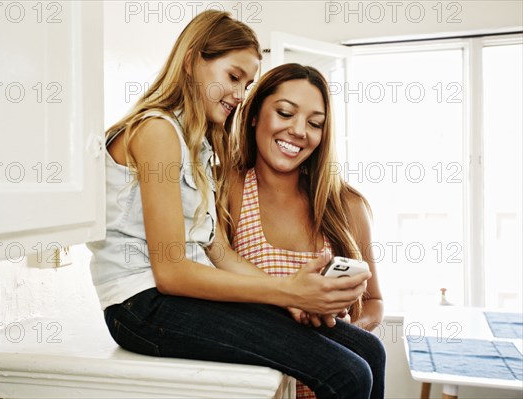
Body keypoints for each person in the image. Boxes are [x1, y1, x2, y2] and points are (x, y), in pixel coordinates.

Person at [88, 10, 381, 398]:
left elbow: (220, 253)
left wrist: (291, 292)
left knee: (369, 350)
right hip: (141, 308)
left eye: (247, 83)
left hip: (172, 301)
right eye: (232, 77)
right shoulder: (156, 130)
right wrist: (288, 294)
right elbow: (172, 272)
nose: (240, 95)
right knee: (348, 373)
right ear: (192, 61)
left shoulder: (198, 146)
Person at [224, 63, 385, 399]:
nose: (299, 131)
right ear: (254, 115)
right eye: (284, 113)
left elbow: (374, 301)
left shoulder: (346, 204)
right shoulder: (228, 190)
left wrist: (344, 337)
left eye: (315, 123)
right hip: (258, 387)